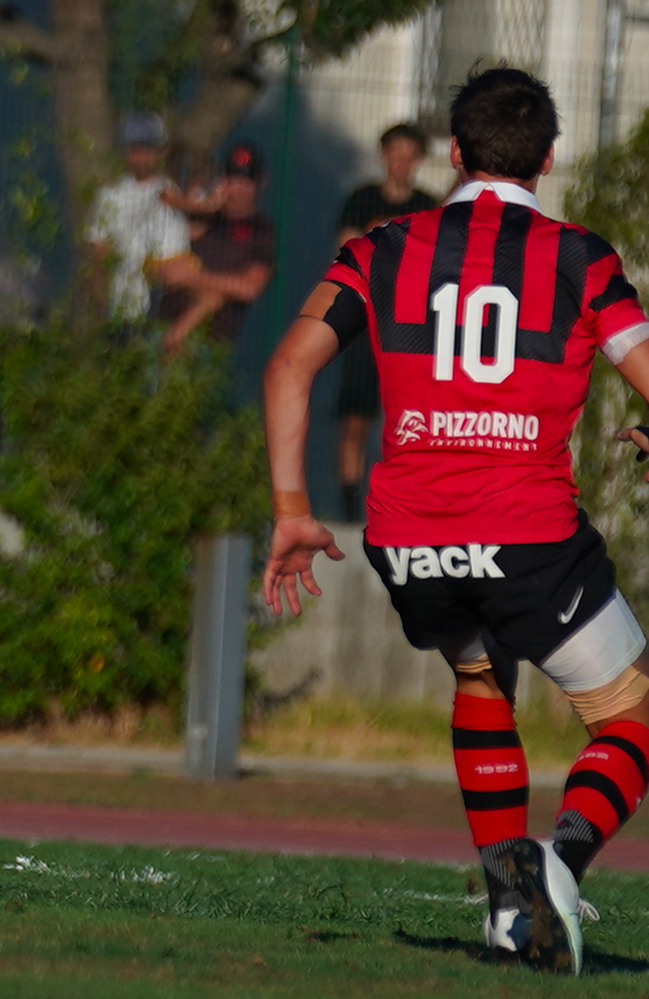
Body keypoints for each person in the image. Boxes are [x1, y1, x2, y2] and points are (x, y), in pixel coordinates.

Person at [261, 66, 649, 975]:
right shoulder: (580, 259)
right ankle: (554, 868)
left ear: (454, 152)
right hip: (526, 533)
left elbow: (288, 367)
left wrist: (292, 511)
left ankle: (506, 912)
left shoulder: (381, 248)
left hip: (409, 537)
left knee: (481, 675)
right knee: (631, 722)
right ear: (548, 159)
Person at [332, 124, 440, 519]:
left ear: (419, 159)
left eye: (409, 154)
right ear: (383, 155)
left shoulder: (430, 206)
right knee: (355, 418)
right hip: (365, 323)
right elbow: (344, 253)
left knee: (407, 422)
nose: (401, 162)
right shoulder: (361, 200)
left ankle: (402, 503)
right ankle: (348, 505)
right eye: (395, 153)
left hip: (410, 329)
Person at [156, 142, 276, 352]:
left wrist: (189, 277)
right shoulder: (203, 215)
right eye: (232, 179)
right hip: (161, 326)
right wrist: (204, 205)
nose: (237, 189)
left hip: (209, 340)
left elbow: (249, 287)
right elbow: (167, 255)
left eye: (246, 181)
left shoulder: (261, 230)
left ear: (260, 182)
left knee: (213, 299)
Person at [85, 113, 194, 323]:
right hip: (118, 308)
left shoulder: (172, 196)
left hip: (158, 309)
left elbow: (176, 256)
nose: (139, 157)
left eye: (146, 149)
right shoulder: (109, 196)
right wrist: (101, 303)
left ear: (162, 151)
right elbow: (100, 255)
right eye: (133, 149)